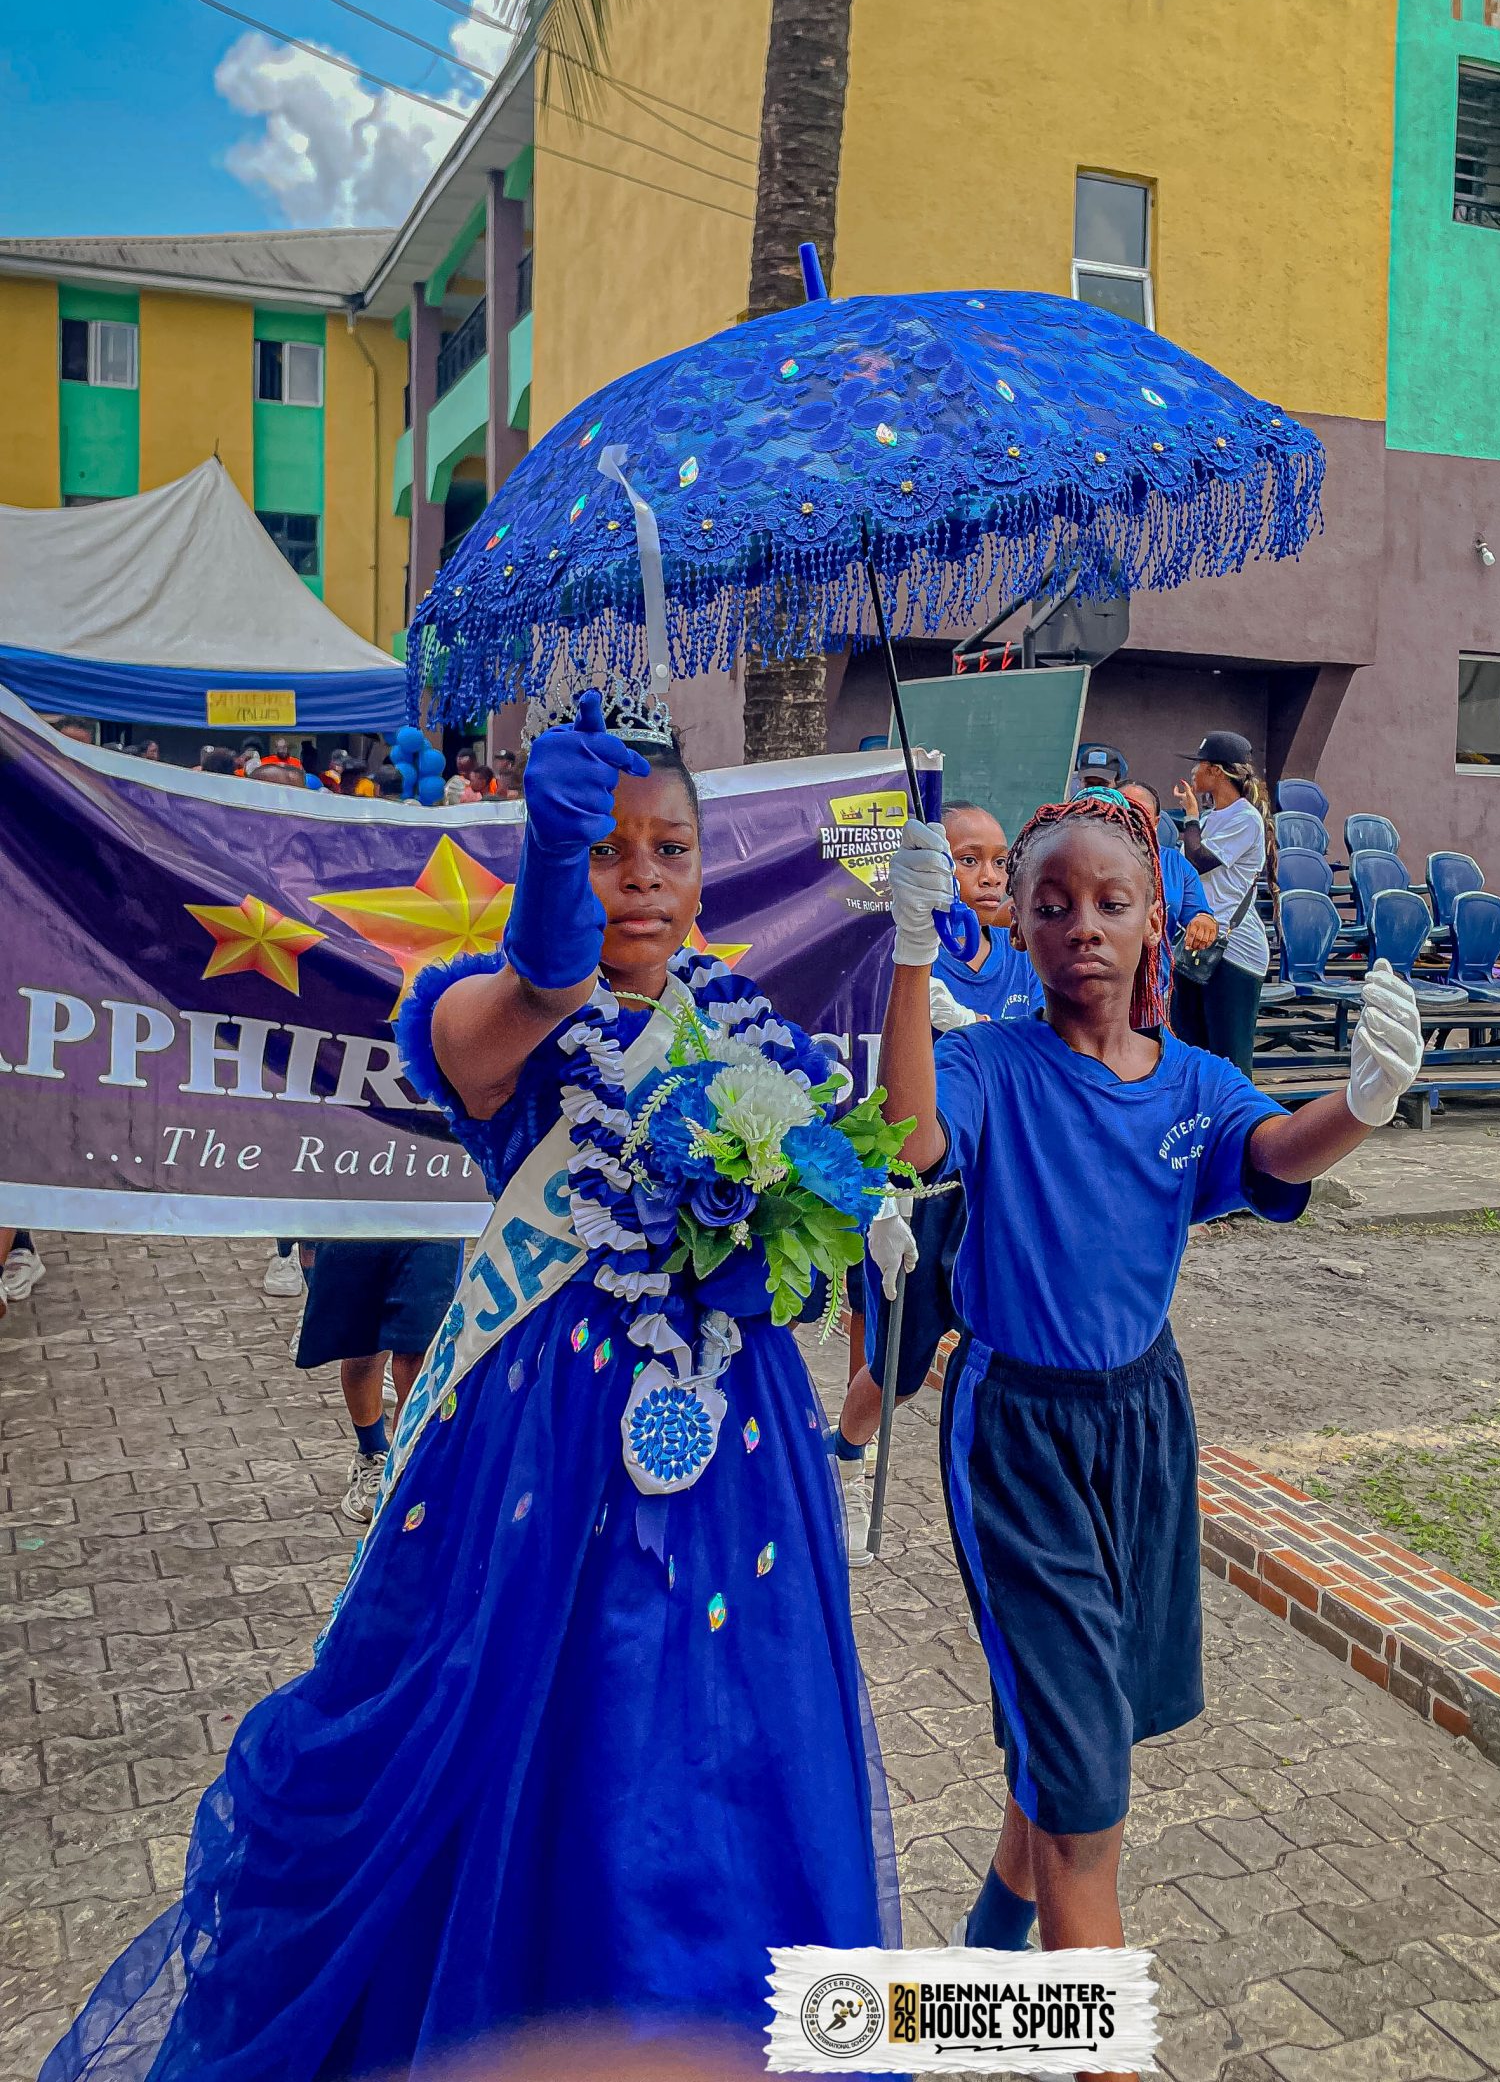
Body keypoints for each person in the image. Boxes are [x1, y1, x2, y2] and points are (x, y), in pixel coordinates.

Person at [43, 693, 894, 2082]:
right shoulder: (494, 1011)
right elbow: (524, 1008)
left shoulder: (757, 1039)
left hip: (741, 1462)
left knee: (726, 1756)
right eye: (607, 850)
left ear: (705, 875)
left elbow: (857, 1199)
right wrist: (549, 874)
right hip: (540, 1460)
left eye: (669, 851)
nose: (641, 877)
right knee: (531, 1759)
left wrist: (788, 1236)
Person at [878, 793, 1423, 1957]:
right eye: (1052, 904)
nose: (1082, 922)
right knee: (1087, 1798)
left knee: (1089, 1730)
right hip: (1016, 1436)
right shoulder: (988, 1064)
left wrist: (1362, 1101)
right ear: (1018, 927)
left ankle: (981, 1963)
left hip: (1145, 1425)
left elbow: (1273, 1153)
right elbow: (913, 1141)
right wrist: (911, 961)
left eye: (1111, 901)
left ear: (1153, 923)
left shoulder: (1196, 1083)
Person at [829, 800, 1034, 1562]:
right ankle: (844, 1460)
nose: (988, 876)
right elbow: (877, 1091)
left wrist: (980, 1031)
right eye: (967, 860)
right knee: (897, 1372)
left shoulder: (1024, 956)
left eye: (998, 860)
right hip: (923, 1201)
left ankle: (1009, 1508)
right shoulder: (909, 956)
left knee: (1011, 1353)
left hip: (1001, 1197)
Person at [292, 1236, 462, 1520]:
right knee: (363, 1351)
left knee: (418, 1351)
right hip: (356, 1224)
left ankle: (407, 1466)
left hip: (430, 1224)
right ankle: (372, 1453)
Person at [1169, 730, 1277, 1079]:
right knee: (1192, 1050)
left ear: (1216, 771)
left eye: (1199, 765)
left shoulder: (1245, 818)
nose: (1193, 772)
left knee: (1230, 1059)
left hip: (1234, 952)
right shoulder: (1211, 818)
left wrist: (1190, 814)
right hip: (1197, 945)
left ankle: (1240, 1116)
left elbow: (1199, 861)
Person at [1121, 780, 1219, 1004]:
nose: (1131, 818)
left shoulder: (1175, 864)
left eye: (1141, 813)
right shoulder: (1087, 861)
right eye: (1124, 809)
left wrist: (1204, 923)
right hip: (1094, 991)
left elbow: (1200, 913)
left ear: (1156, 822)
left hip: (1154, 992)